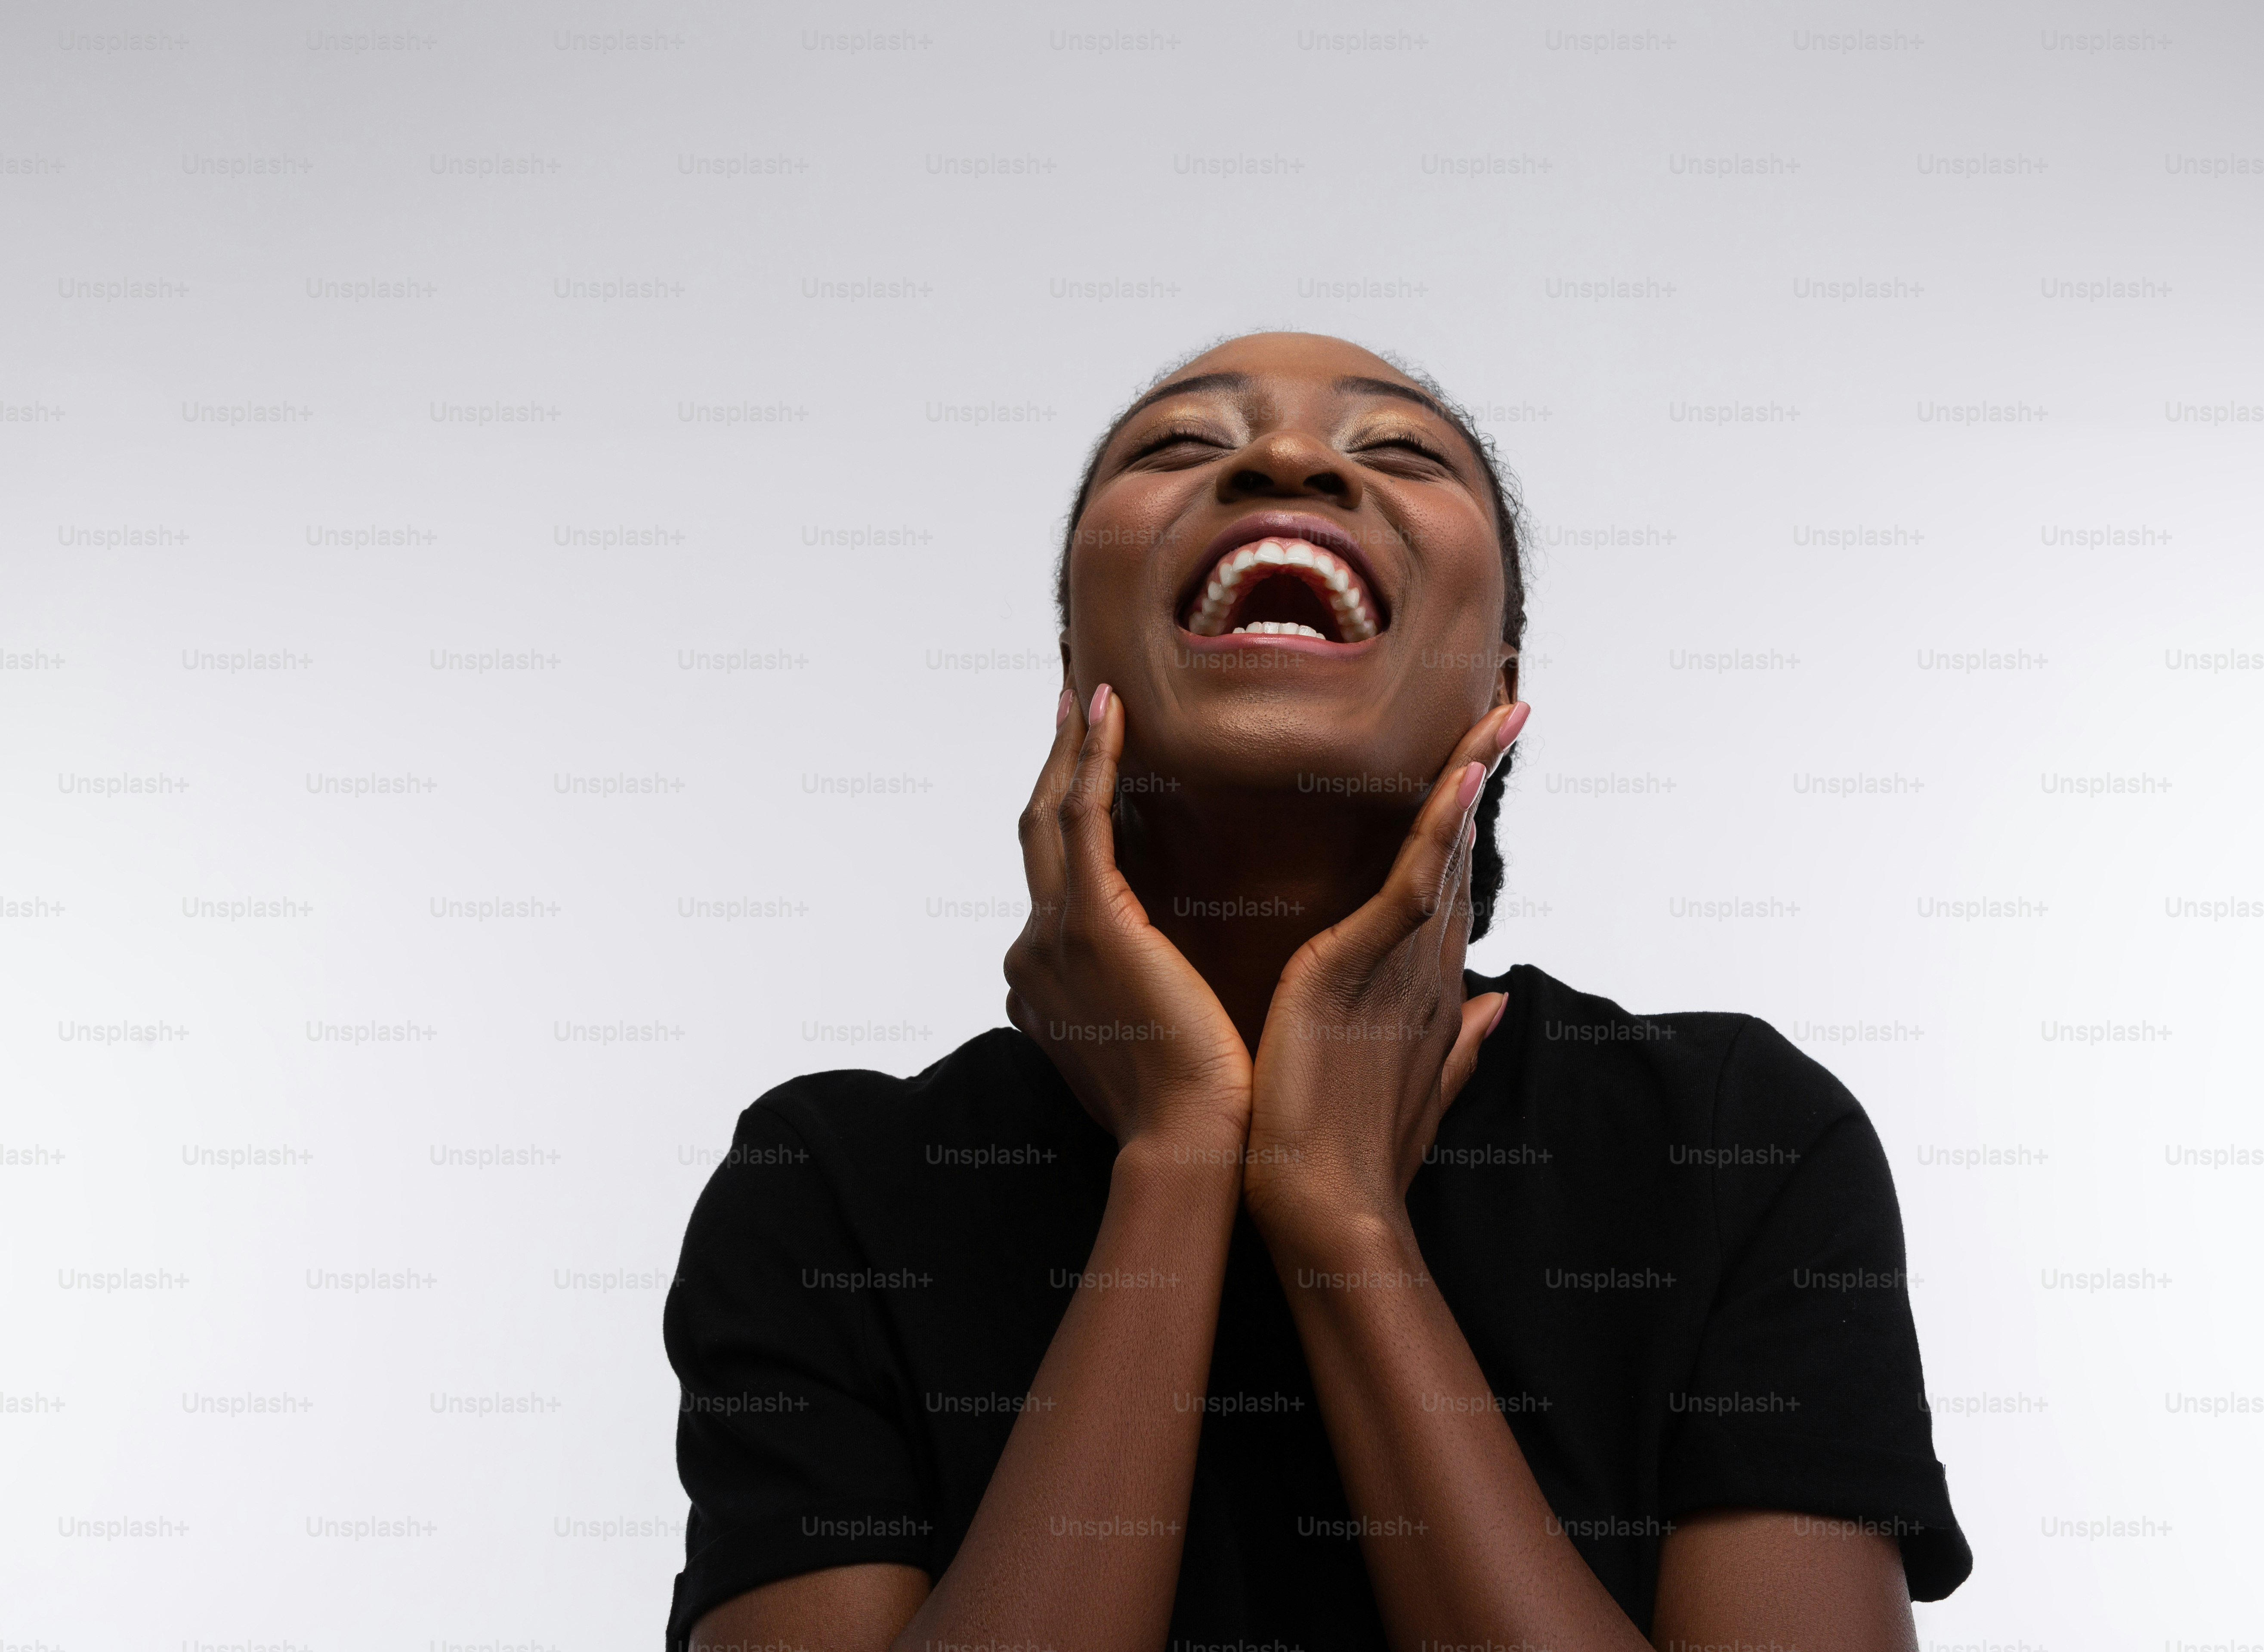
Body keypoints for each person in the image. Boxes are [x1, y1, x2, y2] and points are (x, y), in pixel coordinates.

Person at [664, 331, 1970, 1652]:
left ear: (1500, 688)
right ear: (1076, 675)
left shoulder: (1733, 1142)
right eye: (1180, 445)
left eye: (1398, 452)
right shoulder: (832, 1189)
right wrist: (1179, 1159)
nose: (1286, 459)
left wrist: (1341, 1217)